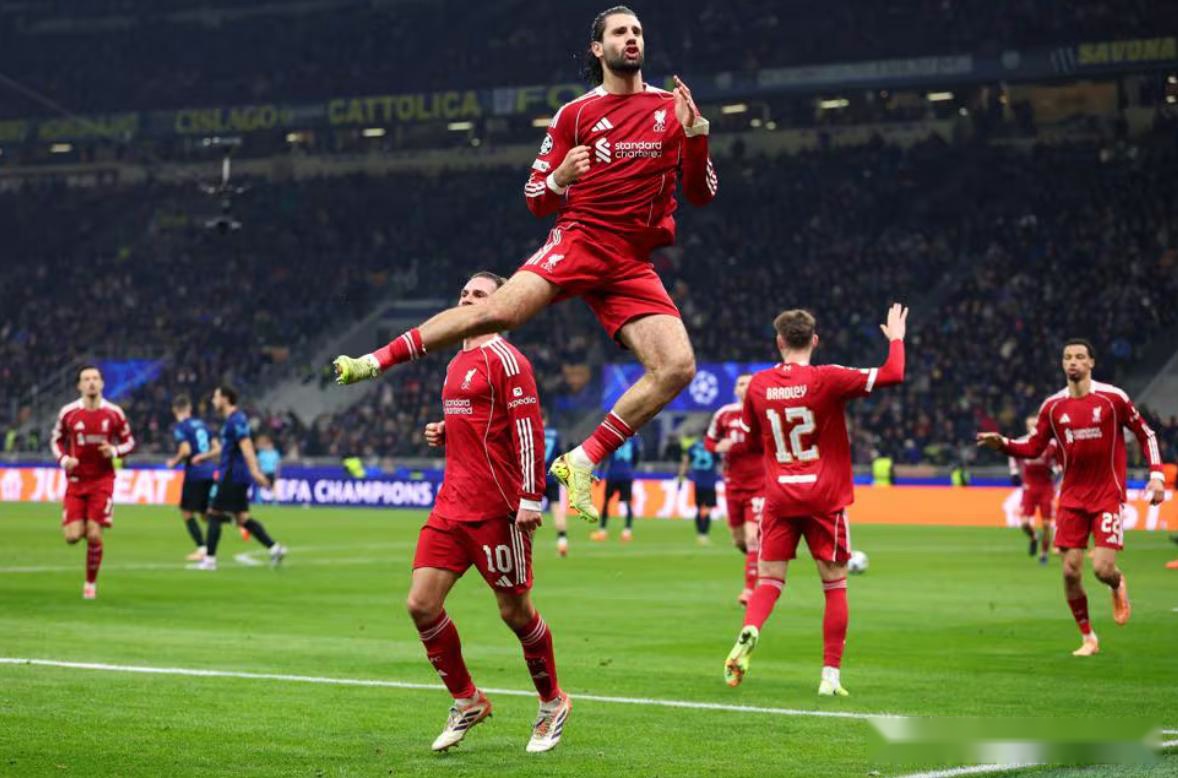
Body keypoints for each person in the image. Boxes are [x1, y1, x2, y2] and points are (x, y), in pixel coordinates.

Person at [333, 5, 717, 525]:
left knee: (677, 367)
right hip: (581, 239)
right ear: (598, 48)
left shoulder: (672, 109)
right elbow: (536, 198)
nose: (631, 38)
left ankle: (581, 461)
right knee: (498, 313)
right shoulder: (574, 115)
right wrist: (560, 178)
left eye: (637, 31)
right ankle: (374, 361)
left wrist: (696, 135)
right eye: (620, 32)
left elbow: (701, 193)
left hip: (631, 261)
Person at [406, 272, 570, 753]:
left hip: (497, 508)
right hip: (451, 506)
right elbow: (480, 423)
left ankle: (552, 702)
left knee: (514, 613)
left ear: (501, 306)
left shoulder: (507, 360)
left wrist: (531, 498)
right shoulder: (457, 360)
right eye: (464, 293)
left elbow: (527, 430)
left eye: (478, 294)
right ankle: (467, 699)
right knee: (421, 604)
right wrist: (446, 430)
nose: (467, 298)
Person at [724, 304, 908, 696]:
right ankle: (830, 677)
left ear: (779, 342)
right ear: (815, 340)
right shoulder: (828, 378)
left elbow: (751, 439)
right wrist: (896, 339)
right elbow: (893, 373)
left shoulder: (758, 384)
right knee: (835, 586)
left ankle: (751, 627)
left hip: (779, 497)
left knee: (769, 579)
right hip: (824, 498)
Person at [978, 339, 1164, 656]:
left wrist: (1156, 474)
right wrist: (1004, 444)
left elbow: (1146, 434)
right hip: (1072, 497)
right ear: (1062, 364)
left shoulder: (1112, 398)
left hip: (1107, 494)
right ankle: (1088, 638)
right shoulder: (1053, 407)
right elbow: (1034, 447)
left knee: (1102, 569)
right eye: (1067, 357)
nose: (1073, 362)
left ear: (1091, 363)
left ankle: (1117, 582)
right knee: (1069, 571)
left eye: (1079, 357)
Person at [49, 365, 136, 600]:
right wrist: (64, 459)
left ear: (102, 384)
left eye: (95, 378)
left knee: (95, 534)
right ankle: (88, 525)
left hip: (102, 480)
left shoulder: (114, 413)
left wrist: (114, 450)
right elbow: (56, 440)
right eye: (86, 379)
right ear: (79, 385)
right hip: (76, 481)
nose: (91, 383)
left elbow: (130, 442)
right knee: (72, 537)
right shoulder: (69, 413)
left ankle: (90, 584)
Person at [188, 386, 286, 571]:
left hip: (233, 475)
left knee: (213, 513)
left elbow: (246, 446)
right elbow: (227, 450)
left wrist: (255, 471)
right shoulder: (230, 421)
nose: (213, 401)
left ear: (225, 399)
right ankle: (275, 548)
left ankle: (209, 560)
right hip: (233, 474)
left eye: (216, 397)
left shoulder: (237, 420)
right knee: (242, 518)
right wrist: (204, 457)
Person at [706, 373, 766, 604]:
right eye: (741, 384)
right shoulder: (724, 414)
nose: (745, 387)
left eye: (749, 384)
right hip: (732, 485)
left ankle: (750, 590)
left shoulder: (765, 413)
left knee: (752, 538)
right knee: (739, 540)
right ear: (735, 389)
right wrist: (718, 447)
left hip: (759, 485)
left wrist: (743, 444)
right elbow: (709, 442)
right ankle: (758, 561)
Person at [165, 395, 216, 562]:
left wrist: (174, 462)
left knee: (186, 512)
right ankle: (237, 521)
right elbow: (217, 449)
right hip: (210, 471)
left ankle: (202, 548)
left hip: (195, 474)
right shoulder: (203, 425)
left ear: (175, 410)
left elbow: (186, 450)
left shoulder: (181, 427)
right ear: (189, 408)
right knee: (205, 513)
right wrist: (204, 456)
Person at [1008, 414, 1060, 564]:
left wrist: (1055, 470)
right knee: (1024, 523)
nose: (1032, 428)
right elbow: (1011, 454)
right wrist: (1014, 472)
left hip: (1046, 487)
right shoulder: (1022, 442)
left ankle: (1044, 553)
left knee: (1046, 523)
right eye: (1030, 425)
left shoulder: (1051, 444)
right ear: (1026, 427)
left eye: (1035, 425)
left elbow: (1060, 461)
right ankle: (1033, 537)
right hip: (1029, 486)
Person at [592, 434, 641, 542]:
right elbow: (637, 457)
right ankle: (627, 531)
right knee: (627, 502)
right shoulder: (634, 440)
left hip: (613, 475)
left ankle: (602, 530)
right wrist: (630, 469)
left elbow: (605, 457)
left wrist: (599, 474)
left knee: (606, 502)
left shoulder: (613, 437)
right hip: (626, 475)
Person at [678, 434, 719, 544]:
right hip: (710, 482)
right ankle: (704, 533)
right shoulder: (713, 446)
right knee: (707, 509)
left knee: (699, 508)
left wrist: (681, 478)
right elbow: (722, 462)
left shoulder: (692, 447)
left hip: (698, 482)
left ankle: (699, 534)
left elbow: (685, 463)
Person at [542, 411, 570, 557]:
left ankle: (526, 547)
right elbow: (560, 456)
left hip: (536, 478)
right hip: (551, 477)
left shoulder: (533, 432)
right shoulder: (555, 434)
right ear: (546, 419)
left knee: (532, 511)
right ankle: (562, 541)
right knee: (556, 508)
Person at [255, 433, 281, 505]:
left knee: (273, 487)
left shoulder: (275, 453)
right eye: (268, 445)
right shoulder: (262, 454)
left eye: (271, 445)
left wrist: (277, 472)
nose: (269, 446)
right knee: (260, 486)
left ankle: (274, 501)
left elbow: (277, 464)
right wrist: (259, 472)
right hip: (264, 472)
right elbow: (258, 463)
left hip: (272, 472)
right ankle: (258, 500)